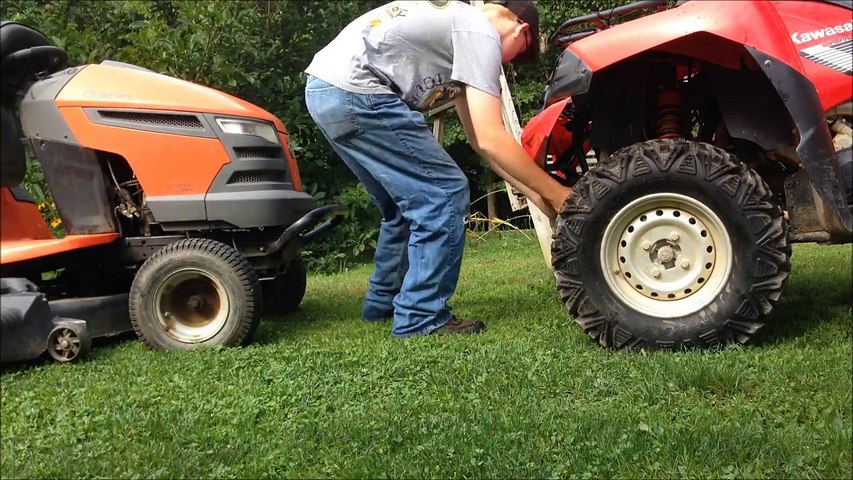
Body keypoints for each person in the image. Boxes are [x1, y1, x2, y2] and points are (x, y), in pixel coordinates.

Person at [304, 0, 571, 337]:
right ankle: (420, 315)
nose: (507, 64)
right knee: (444, 193)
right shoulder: (481, 32)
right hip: (359, 92)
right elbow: (492, 138)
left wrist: (535, 192)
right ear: (521, 29)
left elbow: (479, 142)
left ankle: (383, 304)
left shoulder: (458, 33)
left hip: (324, 91)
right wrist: (559, 194)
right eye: (517, 56)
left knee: (402, 206)